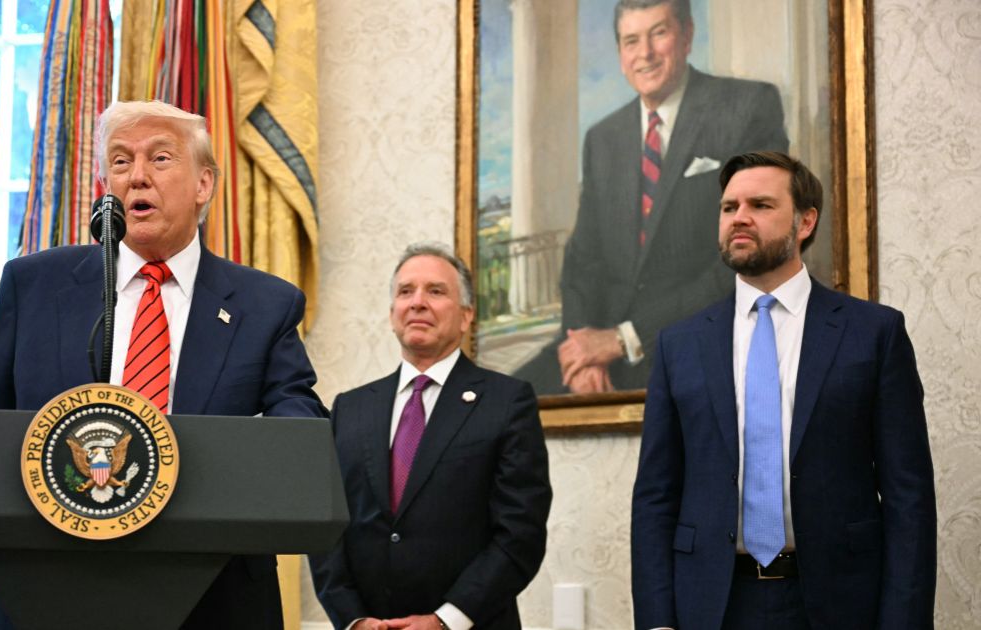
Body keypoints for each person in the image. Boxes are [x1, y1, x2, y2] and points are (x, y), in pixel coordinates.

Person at [0, 100, 326, 629]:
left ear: (204, 184)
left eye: (159, 159)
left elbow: (300, 431)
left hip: (213, 595)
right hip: (49, 590)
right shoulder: (34, 286)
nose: (136, 177)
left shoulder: (264, 305)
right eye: (119, 161)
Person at [631, 151, 936, 629]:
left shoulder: (873, 333)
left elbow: (909, 497)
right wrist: (656, 621)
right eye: (729, 207)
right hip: (712, 605)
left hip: (840, 601)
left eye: (760, 205)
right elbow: (655, 497)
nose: (740, 218)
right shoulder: (680, 344)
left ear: (805, 221)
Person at [518, 0, 789, 393]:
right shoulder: (602, 139)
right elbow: (582, 262)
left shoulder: (746, 108)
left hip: (696, 336)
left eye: (658, 33)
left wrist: (625, 338)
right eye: (631, 41)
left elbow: (752, 259)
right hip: (603, 344)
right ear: (620, 54)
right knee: (497, 406)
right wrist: (581, 350)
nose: (644, 54)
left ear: (687, 36)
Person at [310, 243, 552, 630]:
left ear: (466, 316)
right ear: (392, 314)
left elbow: (520, 534)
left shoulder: (507, 402)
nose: (417, 302)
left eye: (436, 291)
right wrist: (353, 619)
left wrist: (444, 620)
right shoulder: (350, 409)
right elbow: (327, 524)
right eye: (406, 291)